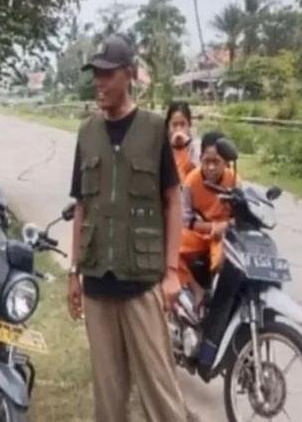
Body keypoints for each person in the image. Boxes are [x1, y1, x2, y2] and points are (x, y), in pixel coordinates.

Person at [67, 34, 187, 422]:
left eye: (107, 74)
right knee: (109, 400)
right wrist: (73, 273)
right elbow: (82, 207)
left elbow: (172, 201)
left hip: (142, 283)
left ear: (129, 75)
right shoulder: (86, 133)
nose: (99, 83)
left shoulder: (154, 130)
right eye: (96, 75)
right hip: (98, 284)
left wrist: (171, 272)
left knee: (161, 394)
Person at [179, 133, 245, 382]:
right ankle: (195, 290)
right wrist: (209, 228)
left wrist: (224, 226)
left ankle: (218, 313)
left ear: (225, 162)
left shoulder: (234, 181)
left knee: (227, 267)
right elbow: (186, 218)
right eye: (206, 161)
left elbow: (242, 214)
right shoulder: (192, 181)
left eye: (216, 162)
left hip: (221, 239)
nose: (210, 167)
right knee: (170, 249)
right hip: (198, 234)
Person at [166, 101, 200, 184]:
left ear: (189, 125)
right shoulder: (163, 146)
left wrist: (187, 143)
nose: (178, 129)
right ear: (168, 125)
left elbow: (199, 173)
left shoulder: (197, 146)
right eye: (174, 125)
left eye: (182, 124)